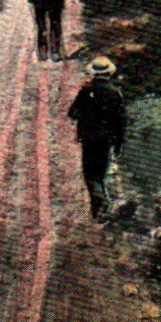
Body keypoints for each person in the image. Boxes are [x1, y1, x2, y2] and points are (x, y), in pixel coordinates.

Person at [67, 56, 126, 220]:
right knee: (100, 172)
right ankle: (100, 208)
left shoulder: (86, 90)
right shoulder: (116, 93)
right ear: (109, 73)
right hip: (106, 139)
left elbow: (72, 112)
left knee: (89, 173)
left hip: (88, 137)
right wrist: (119, 143)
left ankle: (100, 205)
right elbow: (120, 121)